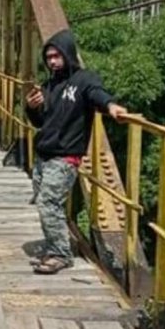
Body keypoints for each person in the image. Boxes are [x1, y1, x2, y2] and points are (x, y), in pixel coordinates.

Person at [24, 28, 127, 275]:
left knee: (48, 203)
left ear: (68, 54)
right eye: (48, 57)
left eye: (57, 56)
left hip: (66, 156)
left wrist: (111, 106)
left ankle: (61, 254)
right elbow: (40, 123)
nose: (52, 61)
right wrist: (31, 108)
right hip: (43, 155)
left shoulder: (84, 79)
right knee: (46, 203)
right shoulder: (48, 86)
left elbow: (97, 94)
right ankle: (55, 246)